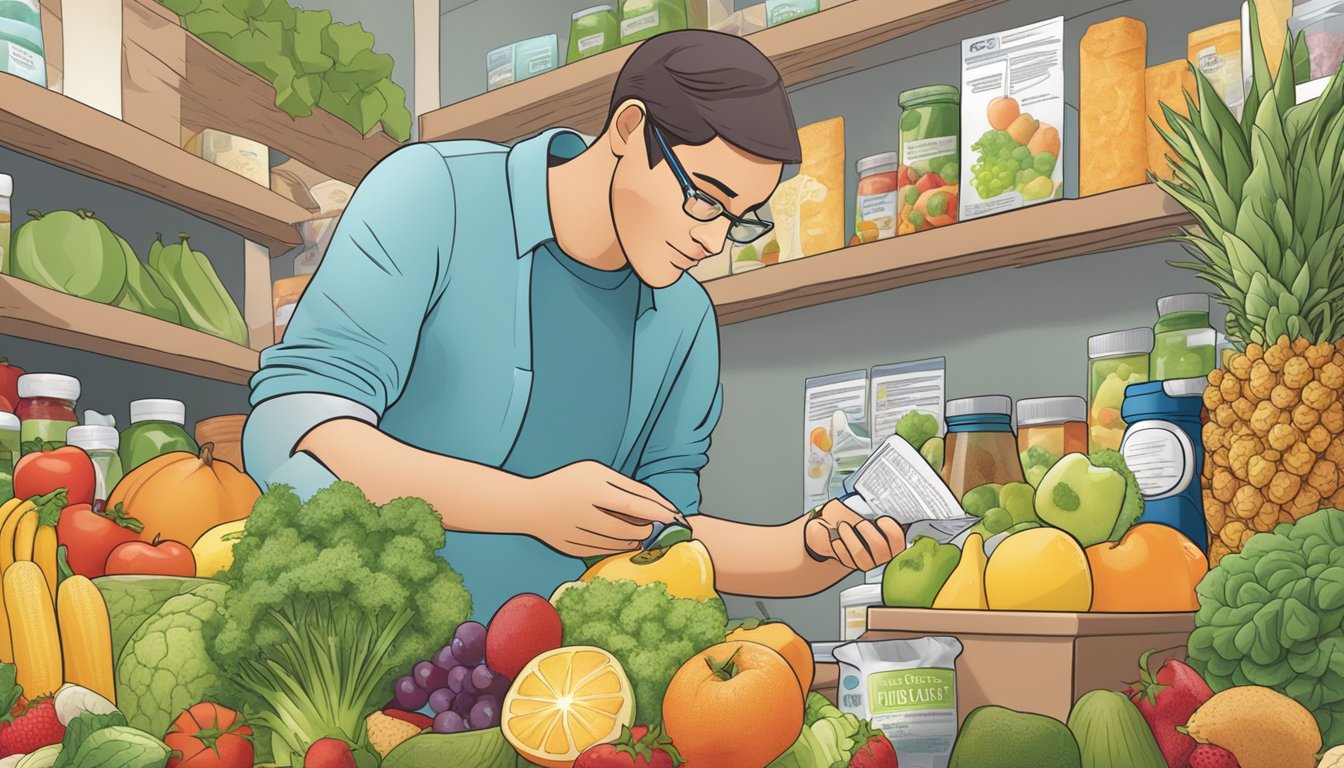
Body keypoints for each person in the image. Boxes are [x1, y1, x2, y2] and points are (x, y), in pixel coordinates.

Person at [242, 30, 906, 622]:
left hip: (555, 688)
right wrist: (529, 506)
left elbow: (665, 539)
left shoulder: (683, 320)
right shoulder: (432, 195)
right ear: (628, 128)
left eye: (740, 218)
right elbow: (292, 426)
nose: (714, 241)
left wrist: (811, 548)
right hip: (359, 649)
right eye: (704, 198)